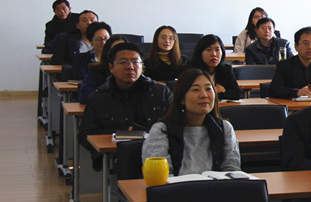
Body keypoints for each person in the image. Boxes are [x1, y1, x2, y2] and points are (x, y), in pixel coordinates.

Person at [79, 42, 172, 170]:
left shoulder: (160, 93)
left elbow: (175, 124)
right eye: (123, 62)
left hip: (159, 156)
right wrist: (122, 132)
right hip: (116, 157)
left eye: (135, 62)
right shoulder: (98, 98)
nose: (130, 67)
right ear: (111, 68)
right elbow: (85, 134)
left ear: (142, 66)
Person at [142, 68, 241, 176]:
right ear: (182, 98)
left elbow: (231, 171)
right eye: (196, 90)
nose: (204, 95)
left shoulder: (224, 128)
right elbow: (160, 176)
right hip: (175, 186)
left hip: (215, 186)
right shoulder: (162, 130)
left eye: (208, 89)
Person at [188, 34, 240, 101]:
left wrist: (214, 93)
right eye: (209, 50)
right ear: (200, 52)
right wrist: (216, 91)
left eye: (217, 50)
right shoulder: (191, 71)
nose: (213, 54)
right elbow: (189, 95)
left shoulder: (226, 69)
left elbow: (236, 94)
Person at [78, 34, 125, 104]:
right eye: (115, 50)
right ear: (107, 52)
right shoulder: (96, 71)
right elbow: (85, 97)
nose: (120, 54)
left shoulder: (133, 72)